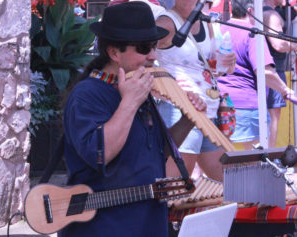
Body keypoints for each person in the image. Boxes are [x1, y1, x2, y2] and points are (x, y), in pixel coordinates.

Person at [58, 2, 206, 237]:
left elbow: (160, 152)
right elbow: (101, 153)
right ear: (114, 53)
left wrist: (189, 119)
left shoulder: (137, 88)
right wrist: (129, 102)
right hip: (104, 228)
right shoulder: (87, 95)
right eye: (144, 48)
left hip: (148, 223)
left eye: (154, 45)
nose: (153, 55)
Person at [155, 0, 236, 181]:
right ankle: (169, 210)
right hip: (179, 108)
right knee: (178, 180)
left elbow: (213, 66)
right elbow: (142, 57)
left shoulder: (206, 23)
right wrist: (162, 89)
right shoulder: (166, 22)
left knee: (224, 176)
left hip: (208, 108)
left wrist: (229, 62)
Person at [217, 0, 294, 150]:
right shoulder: (252, 33)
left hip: (221, 103)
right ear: (251, 11)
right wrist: (286, 90)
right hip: (248, 106)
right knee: (257, 162)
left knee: (221, 157)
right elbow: (264, 71)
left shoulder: (219, 29)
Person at [263, 0, 297, 147]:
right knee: (272, 117)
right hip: (273, 71)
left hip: (267, 70)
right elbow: (279, 44)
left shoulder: (260, 12)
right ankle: (268, 157)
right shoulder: (271, 15)